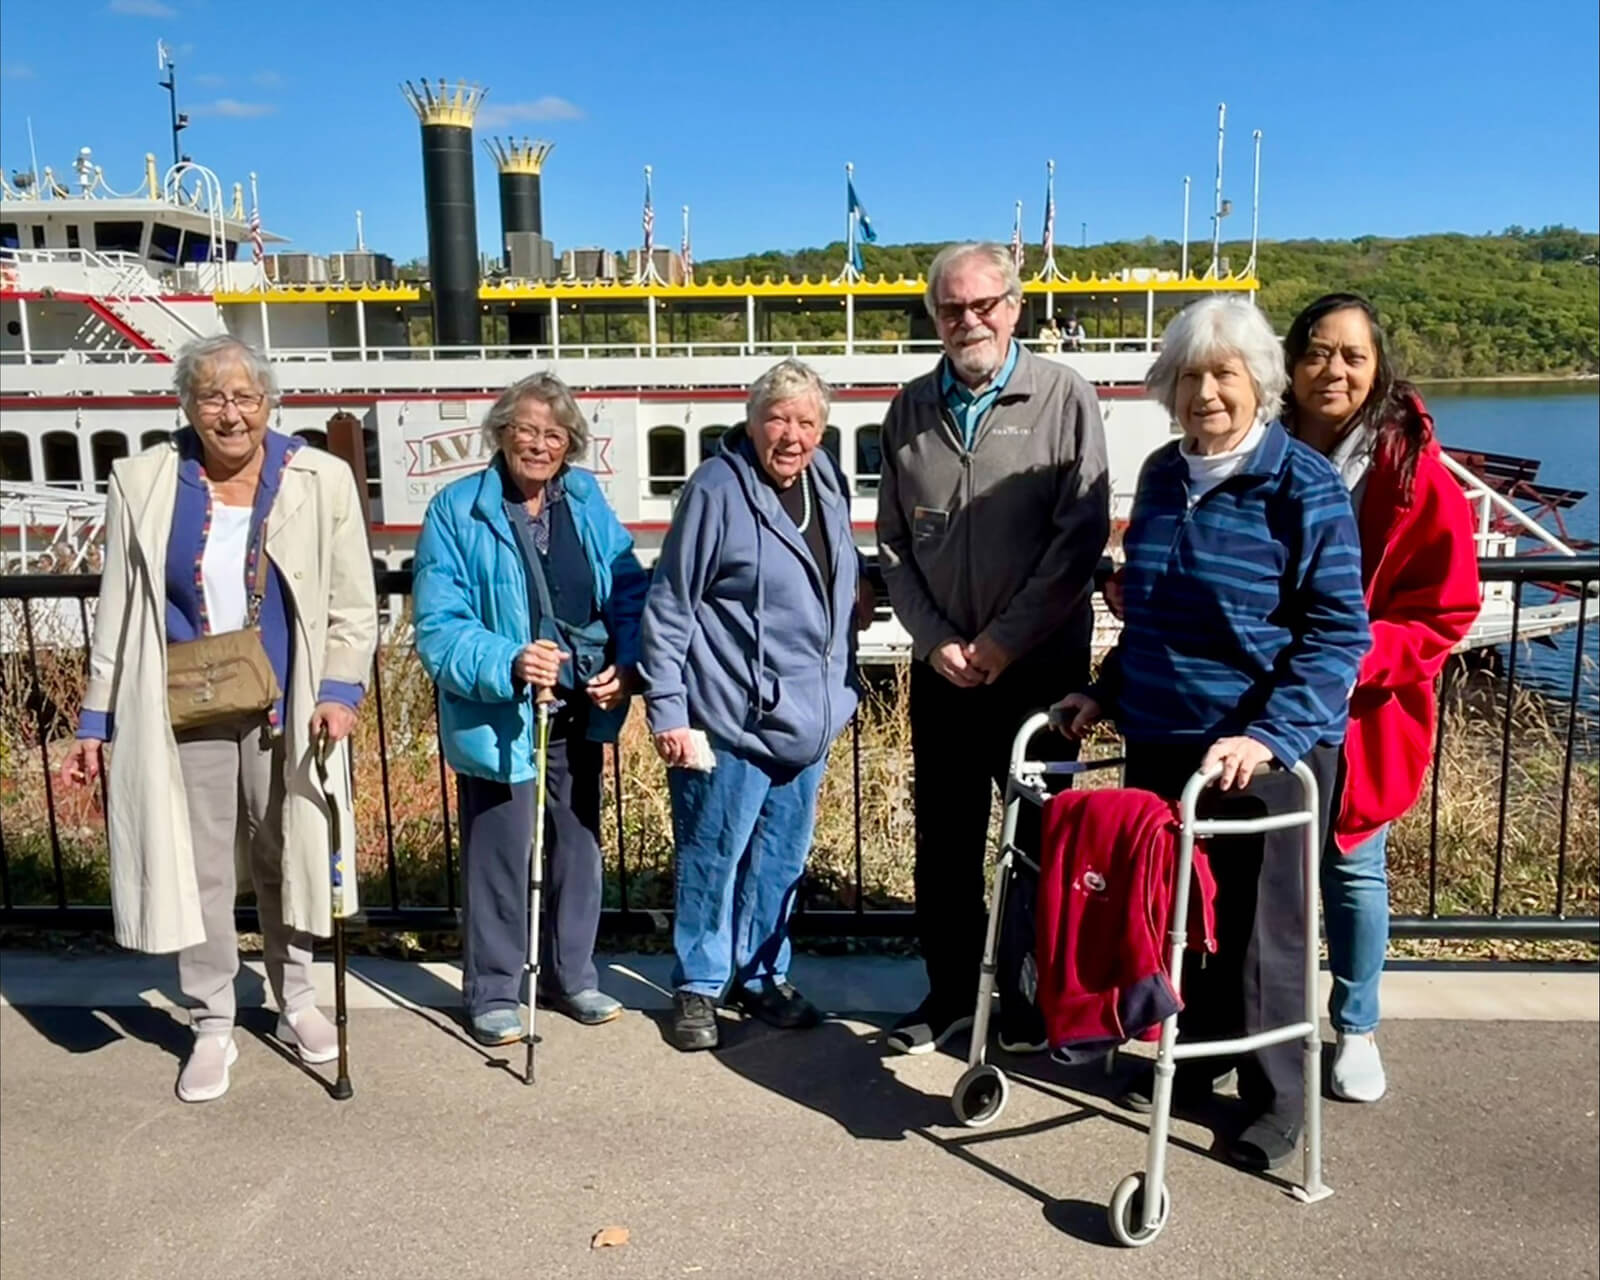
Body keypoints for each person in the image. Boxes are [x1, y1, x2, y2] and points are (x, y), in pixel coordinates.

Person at [1054, 295, 1370, 1171]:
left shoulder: (1301, 484)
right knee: (1175, 914)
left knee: (1266, 935)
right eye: (1190, 375)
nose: (1206, 393)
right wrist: (1104, 692)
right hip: (1162, 736)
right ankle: (1194, 1056)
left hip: (1264, 750)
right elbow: (1150, 613)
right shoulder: (1161, 475)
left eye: (1224, 373)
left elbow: (1339, 632)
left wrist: (1267, 736)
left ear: (1259, 382)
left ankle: (1278, 1101)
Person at [59, 334, 378, 1103]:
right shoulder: (147, 481)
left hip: (288, 704)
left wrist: (340, 691)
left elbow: (352, 604)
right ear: (187, 405)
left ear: (269, 402)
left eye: (244, 396)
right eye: (212, 397)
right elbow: (119, 612)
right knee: (199, 869)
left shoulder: (320, 477)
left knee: (287, 854)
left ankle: (295, 999)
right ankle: (211, 1019)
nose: (230, 413)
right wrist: (93, 722)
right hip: (184, 705)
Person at [876, 241, 1110, 1056]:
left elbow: (1077, 541)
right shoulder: (907, 410)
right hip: (942, 672)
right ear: (934, 314)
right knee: (944, 844)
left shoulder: (1063, 396)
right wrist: (937, 642)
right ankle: (949, 1002)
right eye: (951, 308)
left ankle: (1035, 1005)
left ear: (1014, 307)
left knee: (1042, 843)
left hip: (1038, 670)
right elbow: (896, 547)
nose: (967, 320)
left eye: (983, 305)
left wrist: (1003, 645)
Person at [1283, 293, 1481, 1103]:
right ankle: (1256, 1020)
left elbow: (1446, 608)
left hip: (1359, 708)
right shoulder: (1259, 448)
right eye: (1318, 353)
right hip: (1262, 695)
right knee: (1260, 866)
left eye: (1352, 356)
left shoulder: (1411, 473)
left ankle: (1356, 1025)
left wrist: (1351, 658)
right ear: (1290, 364)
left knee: (1353, 868)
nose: (1333, 370)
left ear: (1377, 369)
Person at [413, 372, 648, 1046]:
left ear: (570, 444)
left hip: (580, 702)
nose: (539, 445)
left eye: (554, 434)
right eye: (527, 430)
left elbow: (626, 585)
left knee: (577, 844)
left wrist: (627, 663)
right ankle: (492, 987)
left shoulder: (585, 499)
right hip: (503, 712)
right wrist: (511, 659)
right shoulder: (458, 510)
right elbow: (438, 625)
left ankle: (571, 973)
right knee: (500, 850)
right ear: (502, 434)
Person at [639, 358, 863, 1053]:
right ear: (752, 419)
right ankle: (700, 986)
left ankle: (764, 975)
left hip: (810, 716)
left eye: (806, 422)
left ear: (822, 429)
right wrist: (669, 709)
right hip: (731, 716)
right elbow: (672, 602)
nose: (791, 435)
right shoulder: (715, 489)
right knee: (713, 855)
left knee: (780, 862)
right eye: (778, 419)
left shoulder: (826, 479)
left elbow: (834, 574)